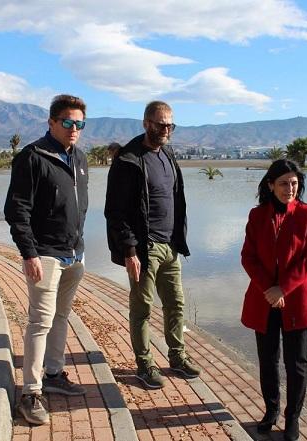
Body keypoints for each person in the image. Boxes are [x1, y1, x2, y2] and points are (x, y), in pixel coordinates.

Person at [4, 94, 89, 425]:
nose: (74, 129)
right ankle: (30, 393)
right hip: (45, 254)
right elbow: (17, 210)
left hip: (75, 254)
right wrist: (29, 252)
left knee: (61, 316)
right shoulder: (32, 157)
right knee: (40, 321)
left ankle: (54, 374)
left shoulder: (79, 158)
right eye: (67, 122)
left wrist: (80, 247)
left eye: (79, 124)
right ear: (52, 122)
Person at [104, 101, 200, 389]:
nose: (166, 130)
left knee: (176, 304)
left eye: (171, 125)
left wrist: (178, 239)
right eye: (161, 124)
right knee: (142, 308)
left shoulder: (167, 155)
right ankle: (145, 364)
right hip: (144, 249)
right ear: (146, 123)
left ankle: (177, 356)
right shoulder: (129, 160)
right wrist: (129, 251)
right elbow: (116, 212)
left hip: (170, 245)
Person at [240, 159, 307, 441]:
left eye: (295, 183)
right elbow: (247, 257)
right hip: (265, 300)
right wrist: (270, 290)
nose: (290, 189)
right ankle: (271, 410)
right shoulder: (257, 215)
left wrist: (283, 288)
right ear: (270, 185)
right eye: (284, 183)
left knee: (296, 363)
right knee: (268, 359)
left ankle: (293, 418)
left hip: (297, 300)